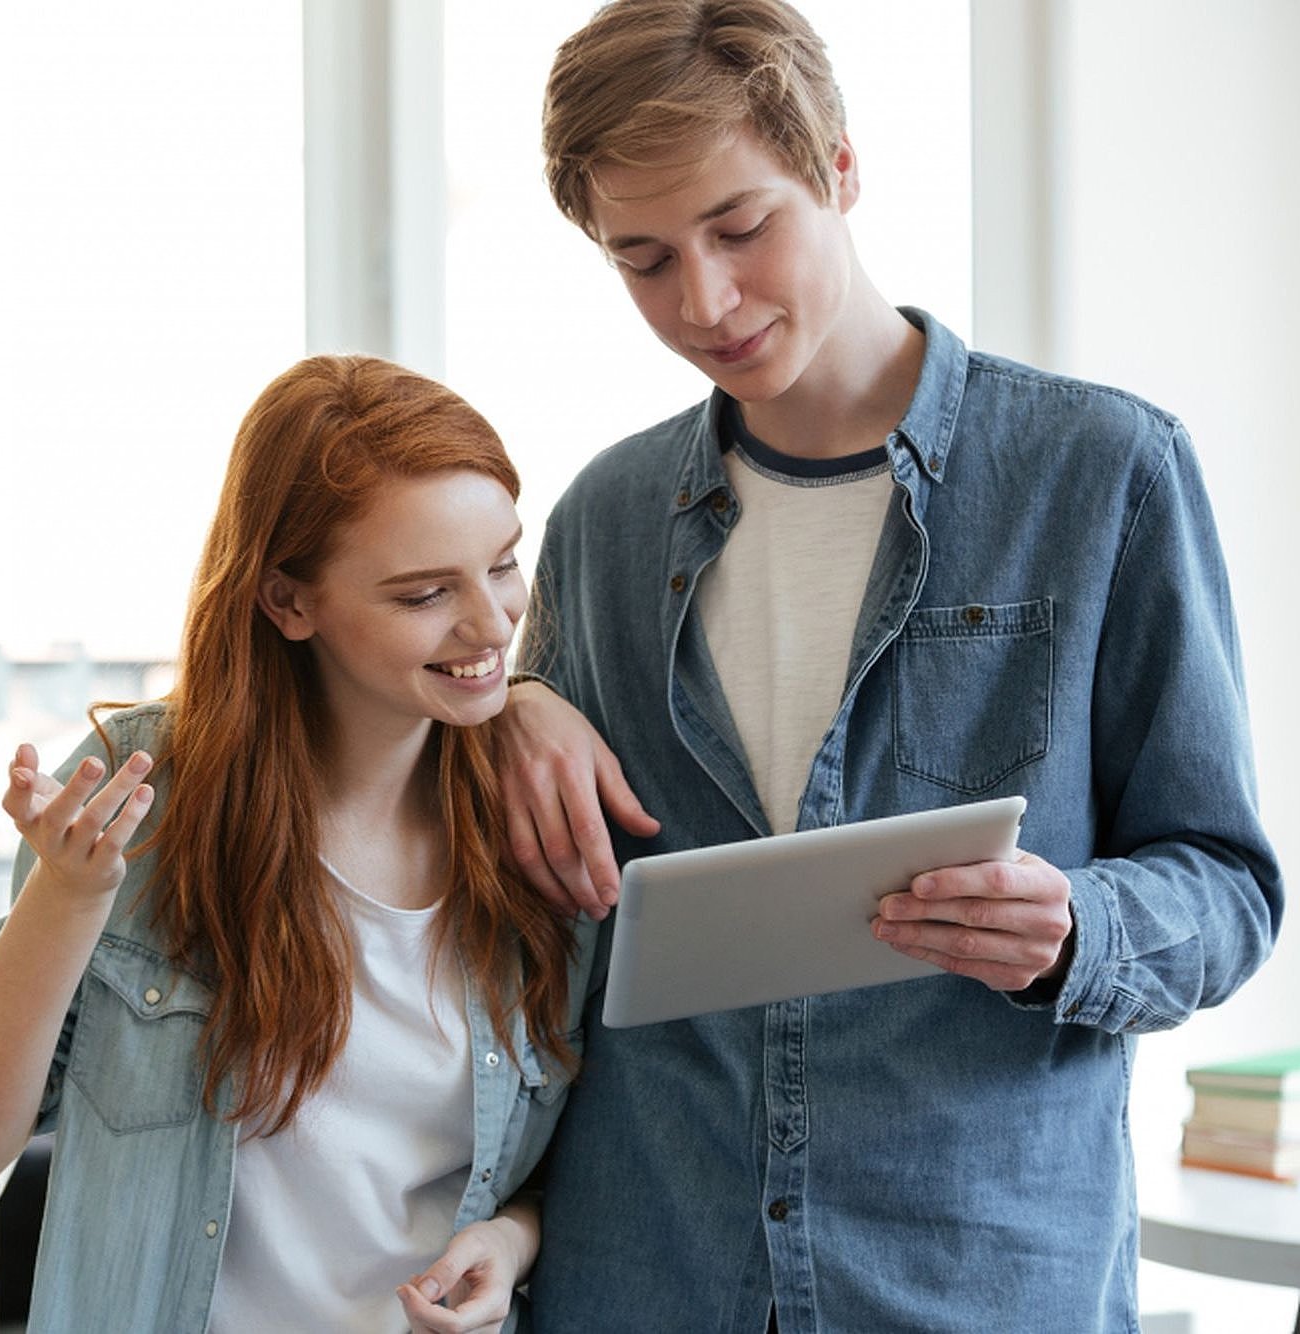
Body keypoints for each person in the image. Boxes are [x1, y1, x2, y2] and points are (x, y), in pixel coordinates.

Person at [493, 2, 1285, 1330]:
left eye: (742, 227)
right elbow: (525, 920)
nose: (706, 301)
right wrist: (501, 710)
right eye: (642, 260)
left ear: (840, 169)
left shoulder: (1099, 474)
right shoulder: (599, 522)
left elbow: (1225, 887)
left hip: (973, 1276)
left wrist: (1077, 926)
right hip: (646, 1270)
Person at [0, 355, 592, 1334]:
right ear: (288, 600)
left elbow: (596, 1149)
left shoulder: (536, 815)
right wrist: (65, 898)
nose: (491, 623)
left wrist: (515, 1236)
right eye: (423, 593)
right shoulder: (139, 790)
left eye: (502, 562)